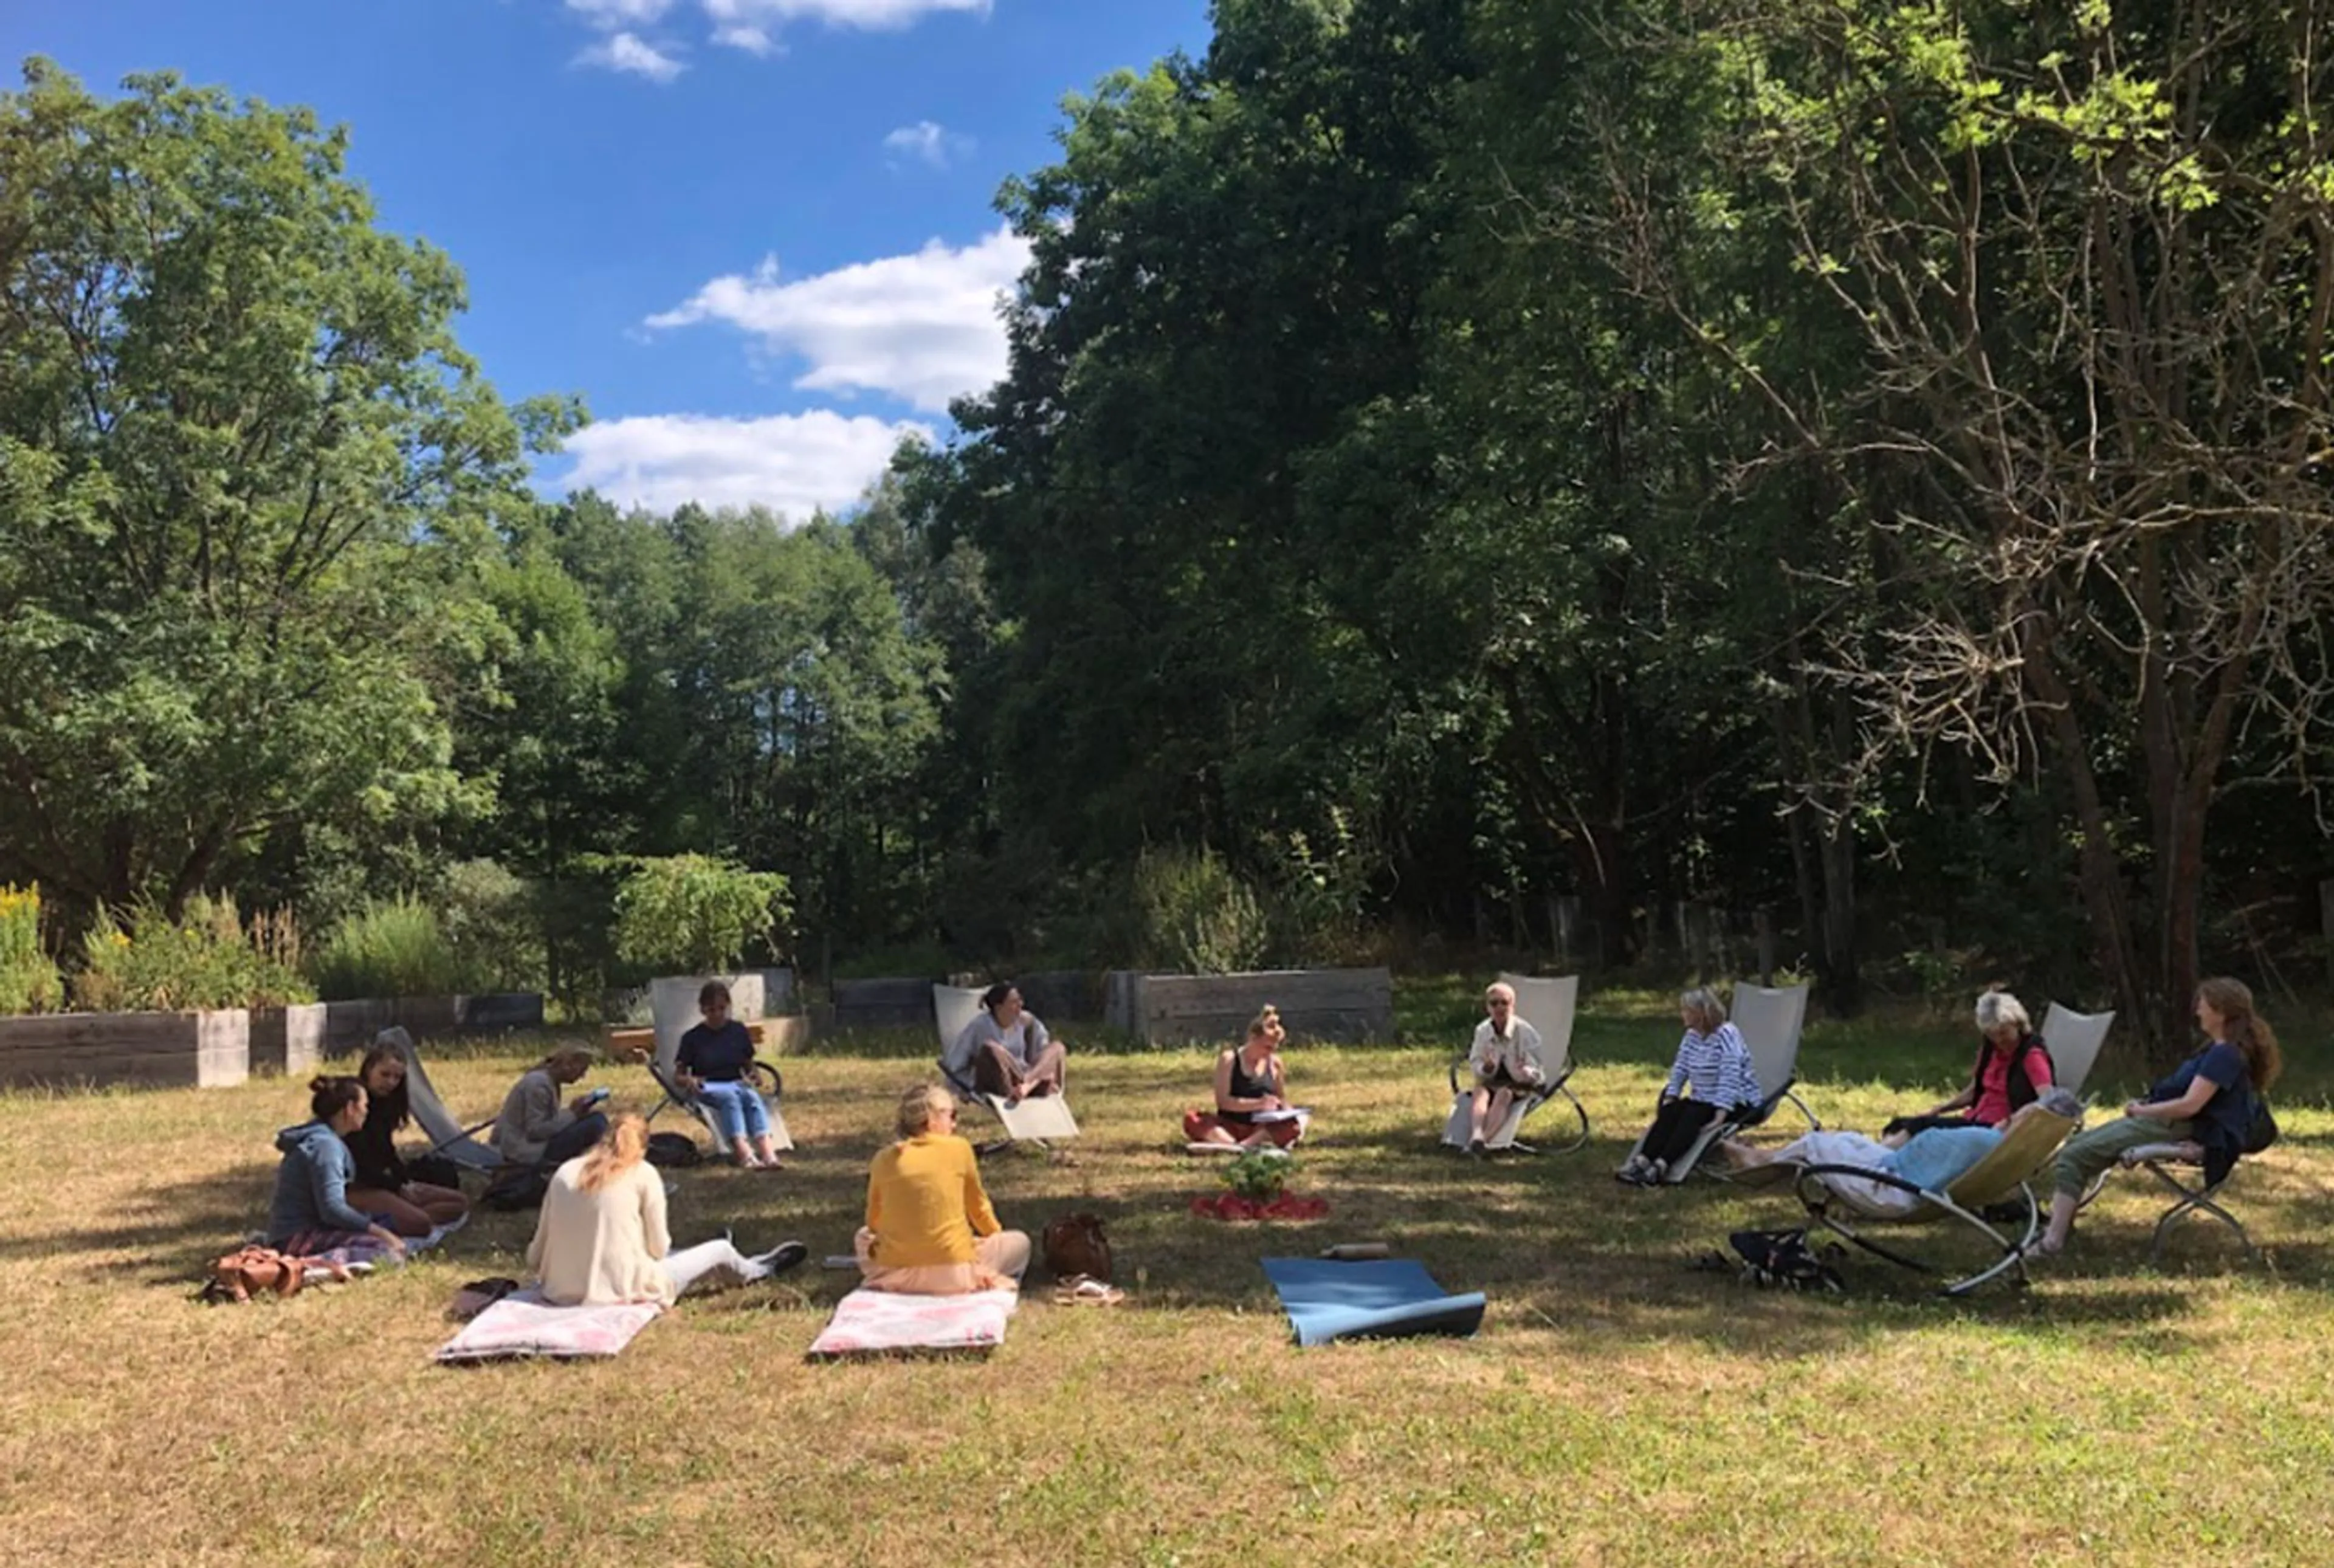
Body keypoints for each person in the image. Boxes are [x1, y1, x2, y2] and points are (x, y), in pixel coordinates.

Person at [2037, 977, 2281, 1256]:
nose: (2198, 1011)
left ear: (2220, 1010)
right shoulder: (2219, 1050)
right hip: (2168, 1122)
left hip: (2174, 1126)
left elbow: (2190, 1106)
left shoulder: (2224, 1055)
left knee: (2074, 1155)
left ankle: (2052, 1242)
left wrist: (2141, 1110)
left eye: (2202, 1005)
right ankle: (2060, 1228)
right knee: (2077, 1150)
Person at [526, 1113, 805, 1306]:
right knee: (719, 1249)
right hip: (626, 1288)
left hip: (558, 1290)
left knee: (673, 1255)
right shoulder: (642, 1172)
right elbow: (659, 1249)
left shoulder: (564, 1173)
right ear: (644, 1147)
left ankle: (710, 1262)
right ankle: (756, 1270)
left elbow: (535, 1255)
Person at [1720, 1088, 2085, 1214]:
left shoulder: (1984, 1141)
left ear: (2029, 1120)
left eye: (2022, 1112)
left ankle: (1761, 1160)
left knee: (1820, 1142)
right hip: (1897, 1175)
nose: (2014, 1112)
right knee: (1844, 1138)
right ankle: (1766, 1158)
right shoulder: (2002, 1150)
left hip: (1888, 1188)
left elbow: (1927, 1146)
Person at [857, 1084, 1032, 1294]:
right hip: (953, 1274)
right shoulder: (959, 1148)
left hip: (895, 1274)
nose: (955, 1123)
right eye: (952, 1115)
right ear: (933, 1120)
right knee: (1020, 1243)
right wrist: (994, 1237)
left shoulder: (883, 1159)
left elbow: (874, 1223)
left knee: (862, 1236)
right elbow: (978, 1209)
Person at [1616, 988, 1762, 1185]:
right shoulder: (1692, 1036)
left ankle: (1662, 1165)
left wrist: (1721, 1113)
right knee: (1672, 1112)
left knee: (1692, 1116)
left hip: (1738, 1102)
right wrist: (1671, 1096)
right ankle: (1643, 1160)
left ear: (1701, 1013)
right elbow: (1681, 1068)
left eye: (1686, 1010)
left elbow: (1730, 1075)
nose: (1682, 1014)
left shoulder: (1727, 1034)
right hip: (1703, 1099)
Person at [267, 1076, 408, 1260]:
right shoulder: (325, 1146)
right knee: (388, 1253)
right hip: (298, 1237)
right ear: (350, 1109)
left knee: (390, 1224)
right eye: (365, 1105)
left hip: (311, 1229)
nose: (367, 1111)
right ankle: (311, 1266)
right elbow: (332, 1209)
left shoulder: (326, 1139)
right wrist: (381, 1234)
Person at [342, 1040, 470, 1236]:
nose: (391, 1083)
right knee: (423, 1223)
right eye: (385, 1075)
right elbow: (361, 1165)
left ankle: (402, 1216)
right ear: (369, 1070)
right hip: (359, 1187)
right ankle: (389, 1222)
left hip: (386, 1183)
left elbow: (386, 1152)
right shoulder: (355, 1109)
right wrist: (396, 1187)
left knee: (459, 1202)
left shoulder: (387, 1106)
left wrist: (404, 1182)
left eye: (397, 1078)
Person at [1884, 991, 2054, 1138]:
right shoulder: (1991, 1050)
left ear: (2018, 1023)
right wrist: (1942, 1108)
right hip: (1973, 1120)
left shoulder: (2031, 1056)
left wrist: (2012, 1120)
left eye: (2004, 1033)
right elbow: (1974, 1091)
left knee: (1920, 1128)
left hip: (1995, 1131)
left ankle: (1880, 1168)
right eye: (1992, 1034)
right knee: (1900, 1125)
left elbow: (2049, 1099)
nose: (1999, 1040)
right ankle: (1880, 1167)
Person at [675, 980, 784, 1170]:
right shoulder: (692, 1038)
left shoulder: (737, 1031)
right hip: (708, 1086)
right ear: (703, 1010)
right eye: (711, 1010)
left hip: (736, 1083)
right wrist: (690, 1080)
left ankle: (767, 1152)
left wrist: (755, 1076)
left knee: (752, 1098)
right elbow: (678, 1077)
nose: (717, 1014)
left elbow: (749, 1065)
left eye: (721, 1008)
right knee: (730, 1100)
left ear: (727, 1007)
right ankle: (743, 1152)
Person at [1184, 1008, 1304, 1149]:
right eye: (1267, 1047)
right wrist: (1258, 1104)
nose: (1271, 1052)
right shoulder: (1229, 1060)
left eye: (1275, 1047)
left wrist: (1284, 1108)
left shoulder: (1275, 1063)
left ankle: (1242, 1146)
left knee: (1292, 1126)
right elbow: (1224, 1102)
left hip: (1261, 1128)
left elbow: (1281, 1098)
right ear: (1253, 1038)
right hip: (1229, 1125)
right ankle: (1236, 1144)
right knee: (1193, 1119)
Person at [943, 982, 1067, 1104]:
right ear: (999, 1008)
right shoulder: (979, 1026)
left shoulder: (1025, 1021)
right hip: (997, 1085)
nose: (1020, 1005)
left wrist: (1031, 1081)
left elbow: (1042, 1056)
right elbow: (955, 1065)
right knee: (991, 1048)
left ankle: (1026, 1085)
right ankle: (1020, 1089)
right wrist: (964, 1090)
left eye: (1020, 1000)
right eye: (1014, 1002)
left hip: (1024, 1080)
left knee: (1057, 1048)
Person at [491, 1045, 608, 1169]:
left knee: (593, 1118)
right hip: (526, 1151)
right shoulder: (539, 1085)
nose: (582, 1076)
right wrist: (572, 1114)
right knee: (596, 1123)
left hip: (527, 1146)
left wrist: (576, 1113)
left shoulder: (547, 1081)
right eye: (582, 1070)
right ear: (568, 1065)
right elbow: (536, 1131)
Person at [1464, 983, 1546, 1155]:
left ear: (1512, 1005)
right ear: (1488, 1008)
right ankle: (1477, 1135)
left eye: (1505, 1003)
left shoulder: (1526, 1032)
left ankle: (1483, 1142)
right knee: (1480, 1092)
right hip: (1493, 1080)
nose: (1500, 1008)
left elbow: (1539, 1073)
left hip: (1520, 1084)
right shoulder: (1483, 1031)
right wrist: (1485, 1068)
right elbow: (1475, 1062)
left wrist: (1526, 1072)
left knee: (1504, 1094)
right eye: (1494, 1003)